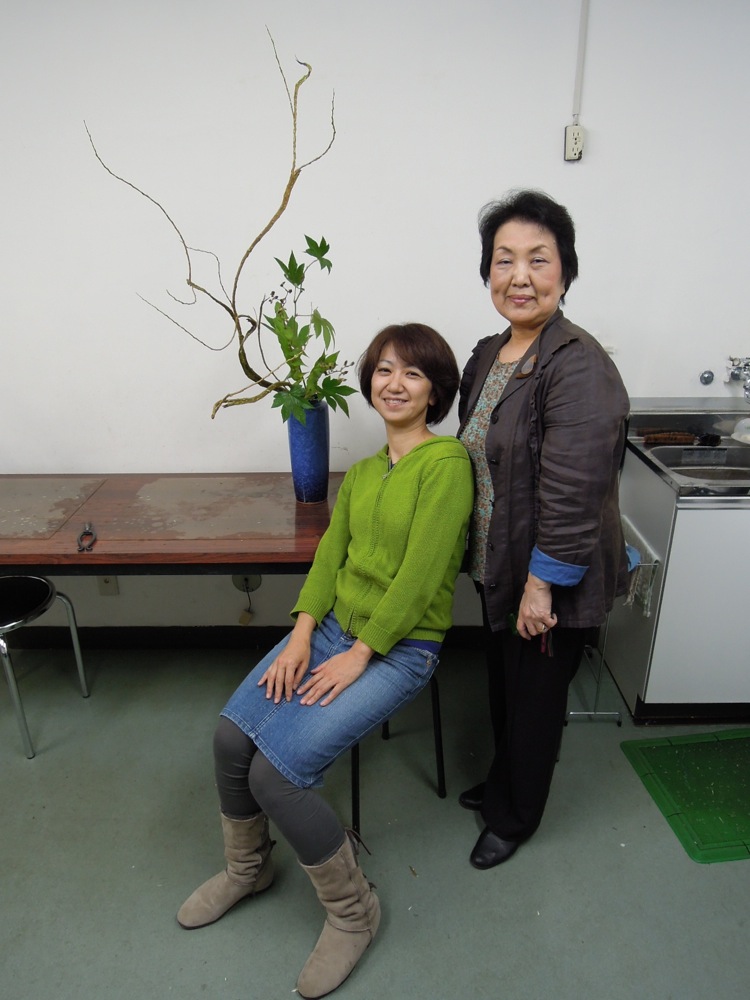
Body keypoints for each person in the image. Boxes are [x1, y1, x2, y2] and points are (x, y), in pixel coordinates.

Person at [177, 323, 473, 998]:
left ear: (435, 393)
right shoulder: (365, 473)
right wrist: (306, 634)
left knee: (276, 779)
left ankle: (353, 912)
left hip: (400, 651)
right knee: (230, 739)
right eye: (384, 370)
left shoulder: (447, 464)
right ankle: (249, 870)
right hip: (334, 632)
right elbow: (328, 558)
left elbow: (423, 578)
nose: (393, 383)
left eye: (414, 374)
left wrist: (361, 655)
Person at [456, 189, 630, 870]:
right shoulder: (488, 353)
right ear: (487, 271)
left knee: (533, 702)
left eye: (538, 259)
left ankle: (515, 817)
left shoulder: (577, 363)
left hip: (547, 578)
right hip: (498, 564)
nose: (519, 276)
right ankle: (505, 783)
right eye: (504, 260)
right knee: (506, 687)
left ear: (566, 271)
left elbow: (572, 491)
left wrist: (542, 587)